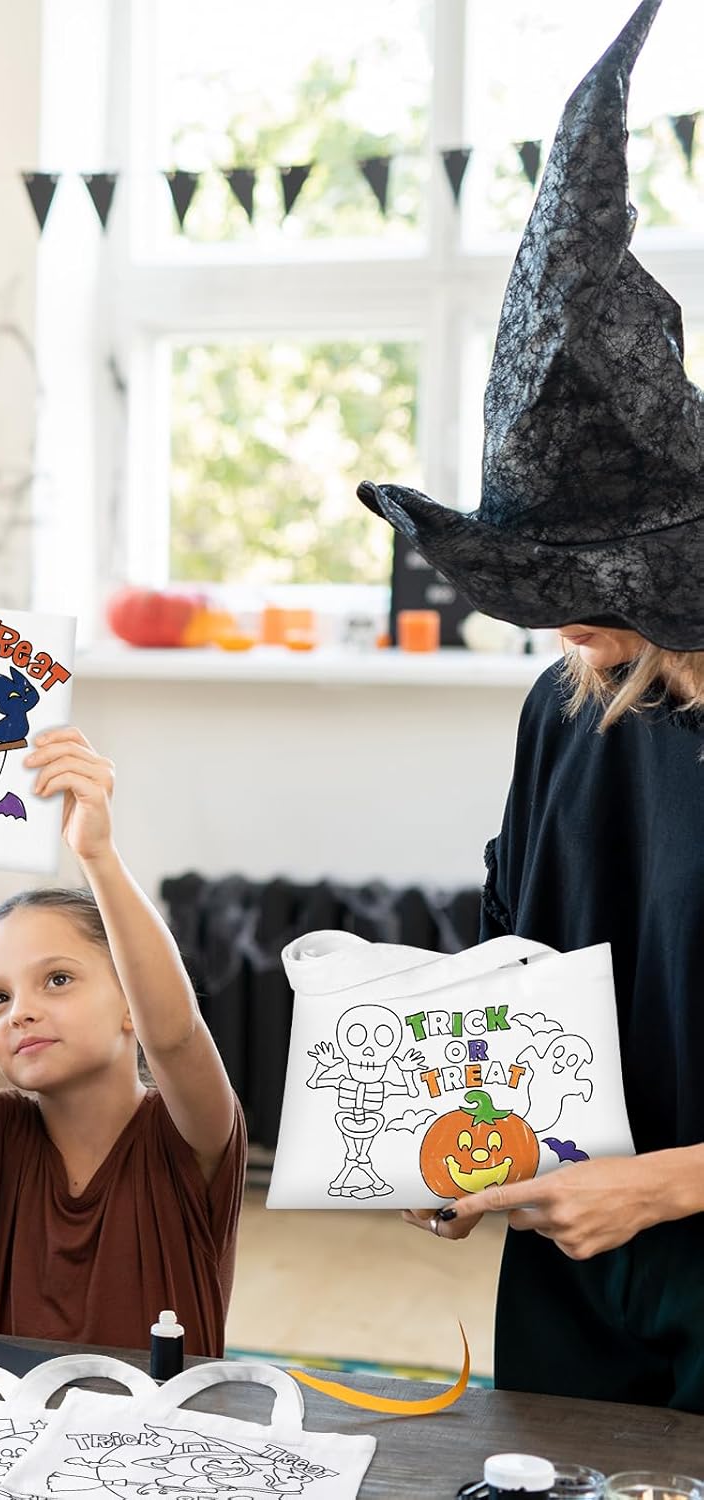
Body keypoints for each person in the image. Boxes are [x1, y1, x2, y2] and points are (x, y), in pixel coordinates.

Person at [357, 0, 704, 1410]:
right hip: (573, 1259)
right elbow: (515, 968)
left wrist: (664, 1186)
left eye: (580, 580)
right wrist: (448, 1130)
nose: (553, 614)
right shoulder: (563, 713)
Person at [0, 727, 245, 1356]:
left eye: (58, 980)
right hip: (14, 1416)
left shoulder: (189, 1134)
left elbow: (176, 1037)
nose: (20, 1012)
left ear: (130, 1003)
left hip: (163, 1419)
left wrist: (98, 856)